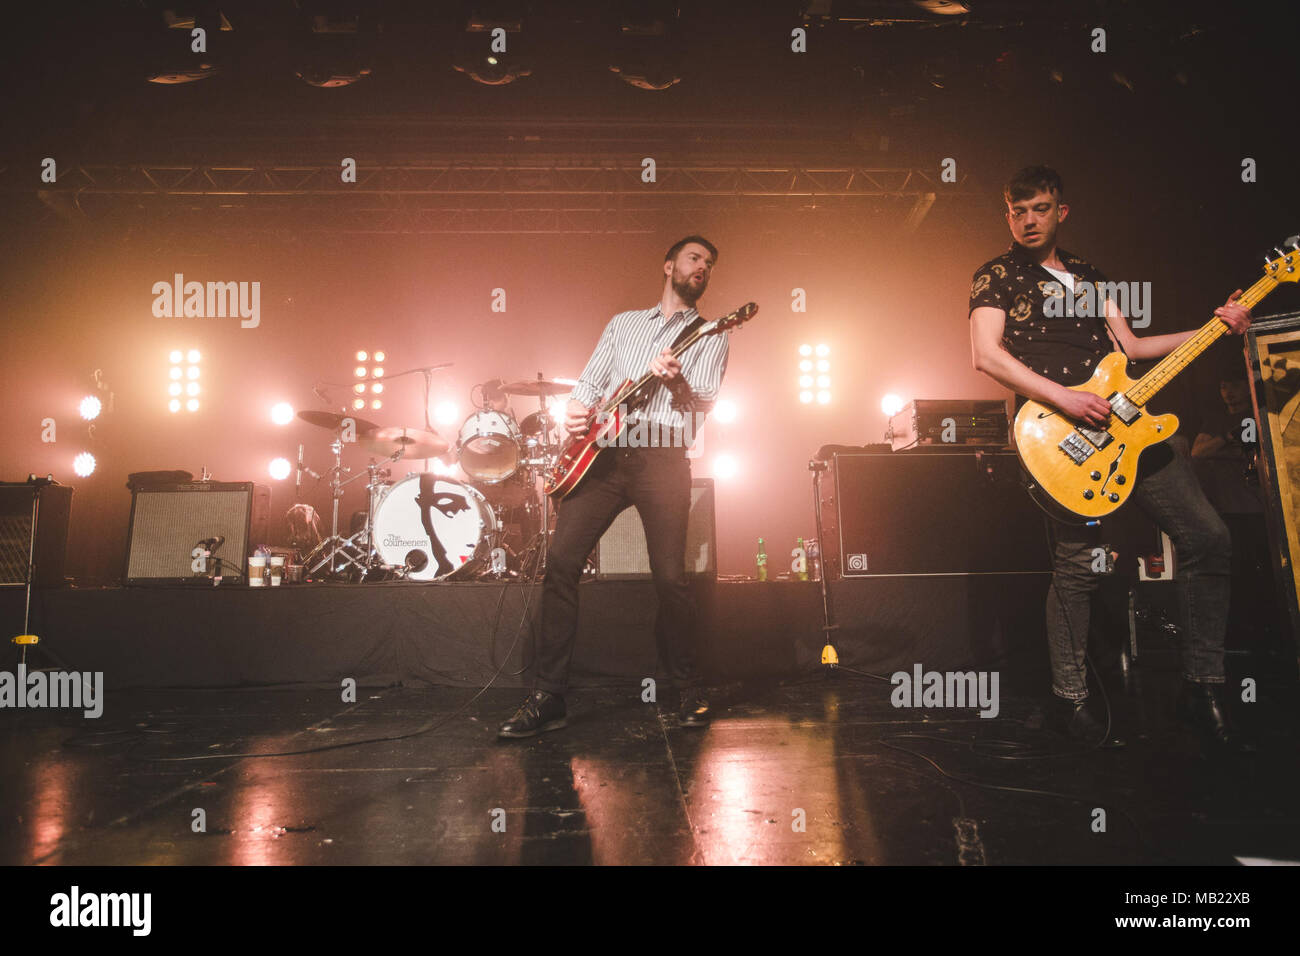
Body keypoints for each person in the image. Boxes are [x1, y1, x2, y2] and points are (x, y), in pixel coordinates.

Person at [968, 165, 1252, 750]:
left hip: (1129, 429)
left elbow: (1135, 349)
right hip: (1058, 433)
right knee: (1078, 567)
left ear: (1060, 212)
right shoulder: (996, 276)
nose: (1028, 220)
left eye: (1040, 208)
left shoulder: (1092, 278)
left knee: (1207, 538)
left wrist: (1213, 328)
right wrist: (1065, 397)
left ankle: (1202, 689)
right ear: (1007, 215)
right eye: (1017, 210)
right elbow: (986, 355)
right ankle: (1068, 701)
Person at [498, 236, 729, 738]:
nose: (702, 268)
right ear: (668, 265)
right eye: (694, 259)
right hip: (604, 457)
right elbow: (587, 385)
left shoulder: (712, 334)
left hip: (664, 454)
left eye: (709, 264)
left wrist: (676, 383)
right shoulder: (624, 325)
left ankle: (687, 687)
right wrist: (574, 414)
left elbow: (700, 409)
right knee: (560, 563)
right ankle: (549, 696)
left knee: (670, 577)